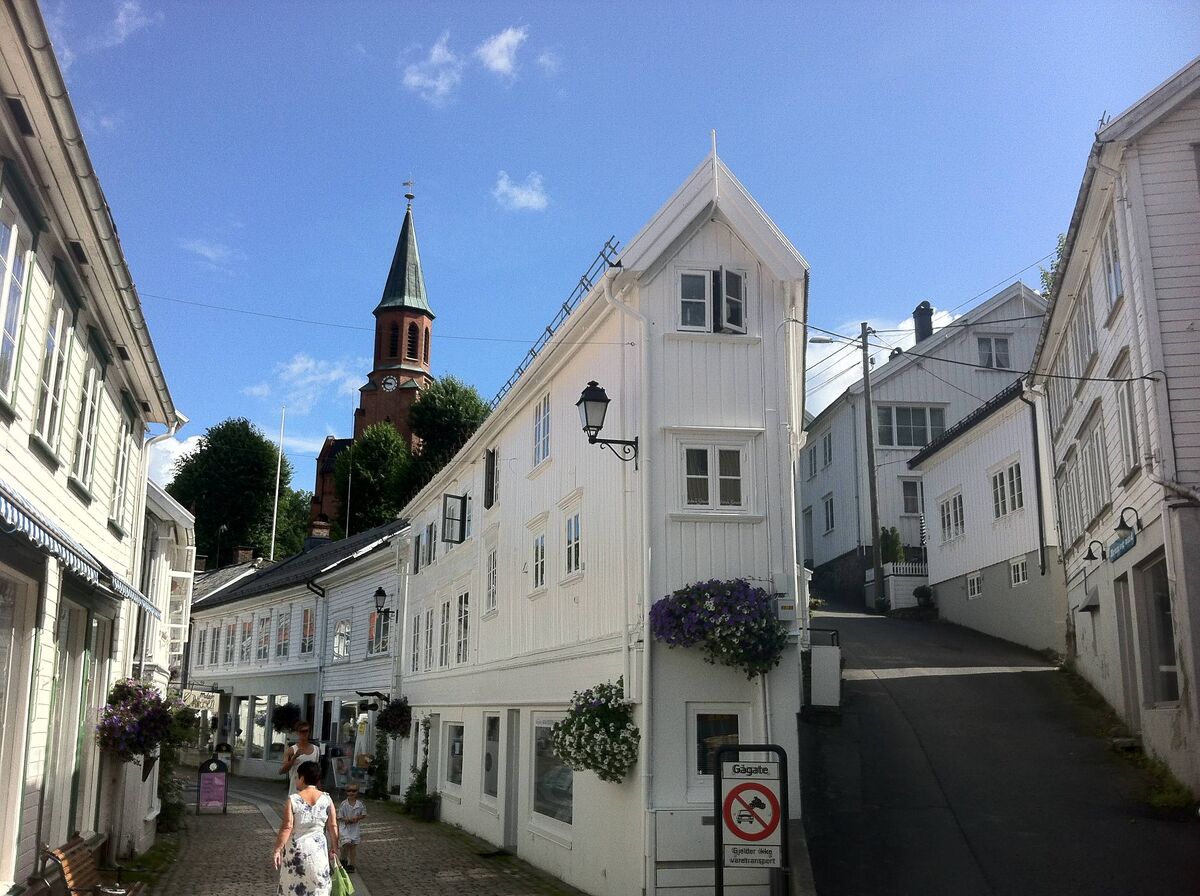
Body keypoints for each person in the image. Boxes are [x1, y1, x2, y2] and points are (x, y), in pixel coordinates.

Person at [272, 761, 338, 896]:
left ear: (302, 778)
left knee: (293, 887)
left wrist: (278, 849)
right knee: (318, 887)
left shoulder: (293, 800)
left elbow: (287, 827)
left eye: (297, 777)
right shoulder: (327, 799)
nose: (296, 780)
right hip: (318, 851)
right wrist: (335, 847)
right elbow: (333, 825)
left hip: (297, 850)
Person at [280, 722, 320, 795]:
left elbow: (317, 773)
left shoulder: (316, 750)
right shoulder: (291, 750)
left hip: (311, 793)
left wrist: (320, 792)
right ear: (297, 733)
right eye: (301, 731)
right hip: (295, 792)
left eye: (306, 731)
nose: (304, 733)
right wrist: (294, 758)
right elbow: (282, 771)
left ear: (309, 732)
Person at [337, 784, 366, 871]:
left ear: (357, 792)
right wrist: (345, 819)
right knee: (346, 844)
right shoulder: (343, 804)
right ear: (346, 792)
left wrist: (357, 818)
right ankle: (343, 859)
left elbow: (363, 814)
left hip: (354, 828)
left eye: (354, 791)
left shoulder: (360, 804)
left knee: (353, 847)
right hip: (345, 827)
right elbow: (339, 816)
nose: (351, 793)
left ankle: (352, 865)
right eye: (349, 791)